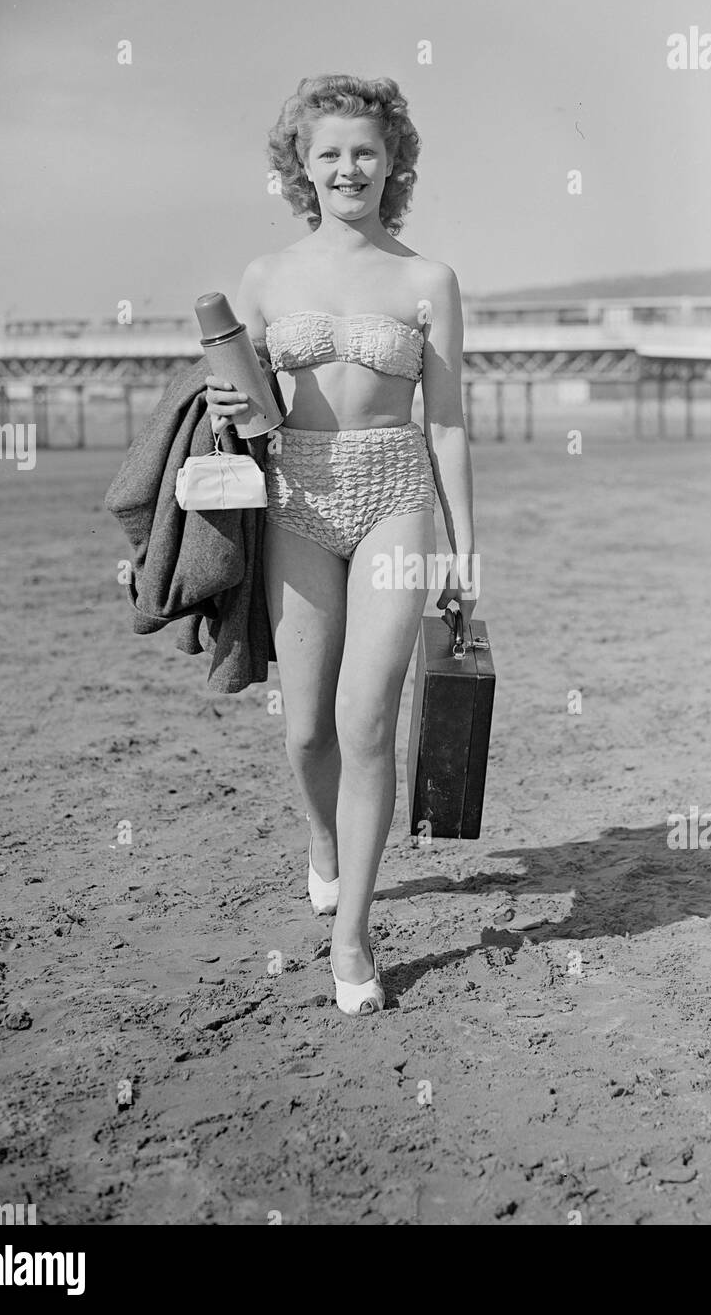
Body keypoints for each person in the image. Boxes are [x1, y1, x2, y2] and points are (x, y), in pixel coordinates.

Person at [205, 75, 477, 1016]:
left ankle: (352, 936)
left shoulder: (428, 281)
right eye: (330, 153)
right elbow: (240, 410)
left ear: (394, 162)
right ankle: (321, 838)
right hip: (297, 497)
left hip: (395, 491)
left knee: (367, 722)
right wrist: (230, 406)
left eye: (367, 151)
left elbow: (448, 424)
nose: (349, 168)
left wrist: (464, 554)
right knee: (307, 729)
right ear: (302, 166)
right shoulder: (265, 278)